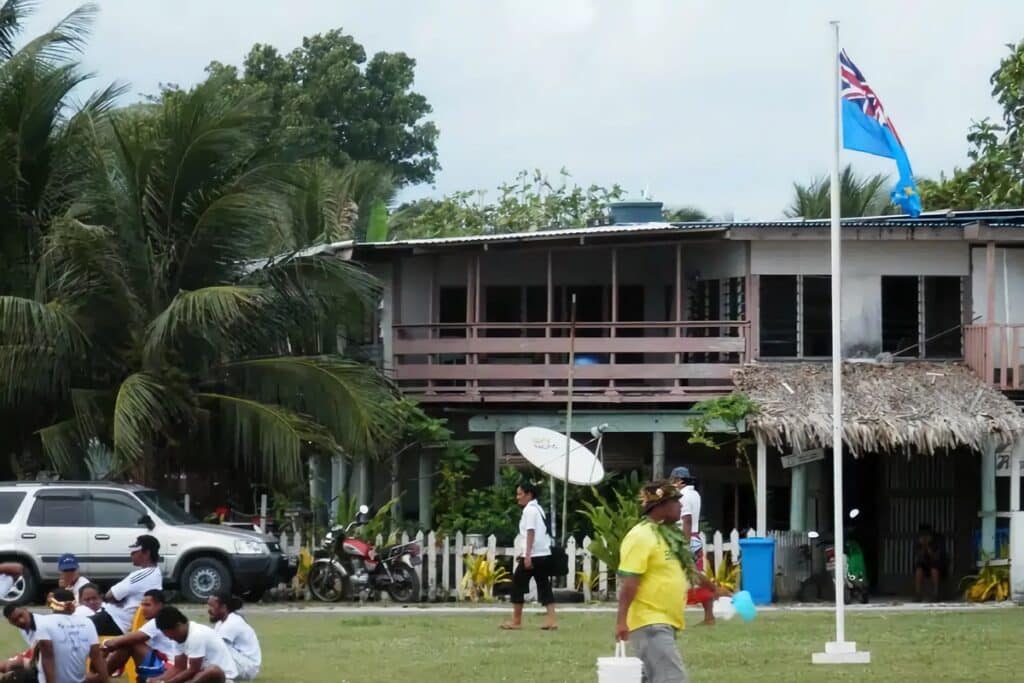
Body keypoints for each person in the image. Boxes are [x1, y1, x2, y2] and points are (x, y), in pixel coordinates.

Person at [616, 481, 711, 683]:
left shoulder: (669, 535)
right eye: (676, 502)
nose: (681, 506)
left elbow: (688, 568)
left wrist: (715, 589)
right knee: (673, 679)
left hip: (666, 622)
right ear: (660, 506)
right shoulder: (640, 536)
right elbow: (630, 583)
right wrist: (621, 620)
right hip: (650, 622)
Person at [11, 588, 108, 683]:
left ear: (52, 604)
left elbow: (48, 658)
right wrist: (103, 679)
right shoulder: (88, 622)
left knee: (11, 677)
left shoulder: (43, 622)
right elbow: (97, 657)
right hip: (79, 680)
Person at [499, 481, 556, 631]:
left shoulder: (529, 510)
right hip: (543, 553)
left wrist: (528, 555)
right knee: (544, 586)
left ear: (529, 495)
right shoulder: (538, 509)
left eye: (520, 494)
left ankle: (516, 621)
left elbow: (530, 532)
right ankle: (551, 620)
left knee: (517, 584)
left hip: (534, 554)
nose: (517, 497)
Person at [669, 466, 719, 626]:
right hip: (695, 537)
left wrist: (684, 543)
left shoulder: (682, 496)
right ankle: (709, 615)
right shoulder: (695, 494)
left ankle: (719, 597)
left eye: (673, 480)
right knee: (697, 576)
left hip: (685, 537)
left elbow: (687, 520)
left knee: (686, 576)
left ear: (678, 480)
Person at [101, 590, 183, 682]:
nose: (143, 608)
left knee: (131, 644)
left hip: (169, 670)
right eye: (142, 605)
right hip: (167, 665)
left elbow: (129, 639)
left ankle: (99, 677)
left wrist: (105, 643)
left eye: (147, 605)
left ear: (160, 605)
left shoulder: (157, 621)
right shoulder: (163, 619)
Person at [91, 536, 162, 637]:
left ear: (146, 553)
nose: (131, 554)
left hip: (114, 621)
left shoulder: (141, 575)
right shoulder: (156, 573)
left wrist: (115, 599)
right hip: (113, 619)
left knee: (80, 627)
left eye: (135, 551)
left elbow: (109, 596)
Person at [154, 607, 238, 683]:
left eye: (168, 633)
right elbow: (178, 668)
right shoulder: (177, 637)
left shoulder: (196, 635)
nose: (169, 638)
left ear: (178, 625)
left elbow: (193, 670)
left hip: (222, 678)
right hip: (199, 676)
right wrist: (157, 680)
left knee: (212, 670)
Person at [207, 594, 260, 680]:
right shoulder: (221, 623)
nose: (209, 610)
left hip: (248, 668)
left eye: (212, 606)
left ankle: (227, 678)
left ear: (223, 607)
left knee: (216, 647)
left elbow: (215, 648)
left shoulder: (232, 622)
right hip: (241, 662)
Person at [914, 523, 946, 601]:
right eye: (922, 534)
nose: (924, 537)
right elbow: (918, 557)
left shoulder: (938, 540)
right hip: (924, 564)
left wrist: (928, 547)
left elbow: (936, 558)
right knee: (919, 569)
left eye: (926, 534)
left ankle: (936, 594)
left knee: (934, 569)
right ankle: (918, 594)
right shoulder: (918, 541)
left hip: (937, 564)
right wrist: (923, 547)